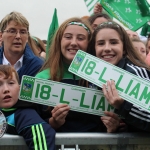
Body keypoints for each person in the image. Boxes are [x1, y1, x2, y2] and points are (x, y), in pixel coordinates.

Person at [36, 17, 120, 133]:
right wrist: (53, 122)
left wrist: (113, 127)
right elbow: (30, 121)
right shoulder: (42, 78)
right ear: (59, 41)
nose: (74, 43)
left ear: (89, 44)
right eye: (68, 37)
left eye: (80, 38)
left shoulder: (103, 78)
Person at [88, 21, 150, 132]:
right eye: (101, 43)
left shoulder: (137, 73)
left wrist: (123, 105)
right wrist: (114, 128)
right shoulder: (90, 76)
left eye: (113, 42)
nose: (107, 48)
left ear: (124, 48)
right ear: (94, 49)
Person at [0, 65, 55, 150]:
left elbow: (43, 137)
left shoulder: (25, 115)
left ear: (19, 88)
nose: (6, 89)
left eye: (11, 83)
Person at [0, 11, 44, 81]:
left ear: (27, 37)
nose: (18, 36)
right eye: (12, 31)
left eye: (23, 32)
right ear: (1, 36)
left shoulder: (39, 66)